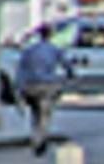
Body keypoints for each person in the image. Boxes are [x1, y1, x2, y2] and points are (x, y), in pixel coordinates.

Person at [19, 26, 74, 155]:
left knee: (35, 112)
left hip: (31, 85)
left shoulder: (29, 50)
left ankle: (35, 137)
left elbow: (21, 69)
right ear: (50, 35)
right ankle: (41, 138)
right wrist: (70, 74)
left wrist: (20, 87)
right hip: (47, 85)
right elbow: (66, 65)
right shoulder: (54, 49)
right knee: (45, 112)